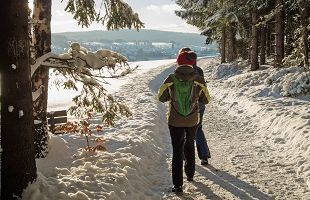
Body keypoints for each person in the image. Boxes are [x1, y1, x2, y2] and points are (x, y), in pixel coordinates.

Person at [157, 51, 210, 193]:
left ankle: (177, 185)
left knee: (177, 150)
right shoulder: (199, 79)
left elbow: (161, 97)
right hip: (193, 119)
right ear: (192, 63)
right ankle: (191, 174)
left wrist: (172, 95)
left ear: (178, 62)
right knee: (190, 145)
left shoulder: (171, 78)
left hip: (175, 120)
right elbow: (206, 100)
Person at [179, 47, 211, 165]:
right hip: (199, 103)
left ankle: (184, 155)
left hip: (185, 104)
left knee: (183, 129)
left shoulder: (178, 72)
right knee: (198, 128)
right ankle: (204, 155)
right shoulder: (199, 70)